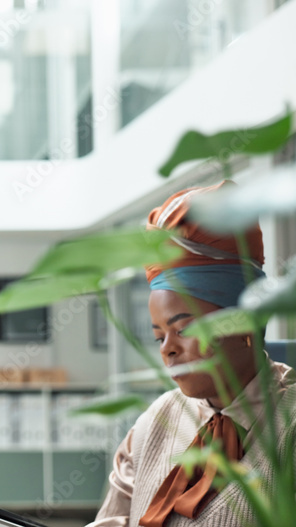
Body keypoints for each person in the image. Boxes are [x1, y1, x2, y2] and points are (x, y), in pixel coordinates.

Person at [90, 181, 296, 526]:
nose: (168, 349)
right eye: (158, 337)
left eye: (183, 329)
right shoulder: (155, 422)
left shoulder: (288, 426)